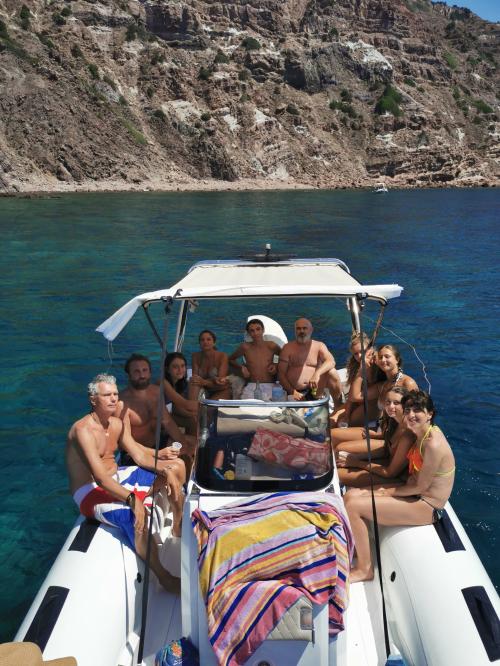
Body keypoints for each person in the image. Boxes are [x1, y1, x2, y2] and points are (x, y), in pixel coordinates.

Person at [66, 374, 185, 593]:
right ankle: (164, 577)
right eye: (106, 395)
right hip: (91, 490)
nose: (113, 399)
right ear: (93, 399)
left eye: (115, 394)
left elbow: (139, 456)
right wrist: (132, 500)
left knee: (176, 468)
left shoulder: (116, 423)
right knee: (133, 516)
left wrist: (164, 470)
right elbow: (100, 478)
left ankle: (177, 524)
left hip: (119, 475)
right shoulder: (83, 430)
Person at [344, 390, 455, 582]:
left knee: (354, 506)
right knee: (351, 496)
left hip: (426, 506)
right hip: (413, 494)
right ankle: (356, 551)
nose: (411, 414)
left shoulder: (433, 444)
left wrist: (386, 491)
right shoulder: (420, 434)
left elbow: (420, 487)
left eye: (418, 410)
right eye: (408, 409)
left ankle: (365, 569)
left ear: (430, 414)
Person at [331, 343, 418, 448]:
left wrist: (383, 437)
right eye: (380, 357)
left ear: (397, 359)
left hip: (393, 437)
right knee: (332, 434)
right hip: (380, 429)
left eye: (387, 356)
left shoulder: (407, 383)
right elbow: (354, 396)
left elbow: (416, 414)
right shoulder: (383, 385)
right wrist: (361, 371)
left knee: (339, 445)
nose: (383, 360)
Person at [119, 353, 196, 457]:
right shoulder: (122, 402)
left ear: (150, 373)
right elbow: (126, 442)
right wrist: (158, 454)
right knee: (177, 463)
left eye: (145, 370)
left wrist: (184, 444)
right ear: (129, 375)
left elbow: (167, 421)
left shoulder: (156, 392)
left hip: (159, 442)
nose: (142, 375)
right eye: (136, 371)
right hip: (138, 452)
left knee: (195, 444)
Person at [336, 387, 414, 487]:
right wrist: (376, 436)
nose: (390, 406)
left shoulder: (407, 436)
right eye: (388, 402)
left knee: (339, 474)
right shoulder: (394, 421)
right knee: (341, 454)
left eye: (396, 403)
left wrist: (357, 463)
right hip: (387, 460)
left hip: (397, 477)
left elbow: (390, 473)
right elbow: (388, 444)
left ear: (405, 405)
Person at [278, 317, 342, 403]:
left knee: (332, 372)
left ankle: (338, 406)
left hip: (315, 390)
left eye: (305, 328)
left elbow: (331, 361)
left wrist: (317, 374)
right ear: (295, 331)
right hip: (294, 391)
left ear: (311, 330)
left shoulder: (319, 346)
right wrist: (292, 392)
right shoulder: (287, 348)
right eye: (298, 328)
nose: (302, 331)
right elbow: (281, 374)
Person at [332, 332, 382, 426]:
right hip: (356, 401)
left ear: (370, 349)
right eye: (355, 354)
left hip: (373, 405)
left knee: (344, 424)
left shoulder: (379, 365)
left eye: (362, 351)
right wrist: (346, 415)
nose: (359, 356)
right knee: (331, 421)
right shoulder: (356, 366)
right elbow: (351, 397)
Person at [228, 318, 282, 400]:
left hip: (270, 384)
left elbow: (282, 356)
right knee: (247, 409)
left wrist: (275, 364)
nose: (255, 333)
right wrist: (242, 367)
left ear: (263, 330)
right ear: (249, 333)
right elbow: (230, 359)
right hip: (252, 384)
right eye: (252, 331)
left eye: (258, 329)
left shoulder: (271, 345)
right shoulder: (245, 347)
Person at [160, 352, 198, 435]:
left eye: (182, 366)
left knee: (193, 420)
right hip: (156, 419)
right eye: (175, 367)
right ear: (167, 369)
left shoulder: (178, 382)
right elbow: (186, 404)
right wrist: (204, 408)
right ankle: (191, 443)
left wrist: (193, 414)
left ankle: (192, 442)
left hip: (168, 413)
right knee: (194, 420)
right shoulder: (163, 382)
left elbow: (175, 407)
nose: (180, 370)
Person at [189, 330, 231, 400]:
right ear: (199, 343)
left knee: (209, 408)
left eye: (208, 339)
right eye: (202, 340)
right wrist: (208, 381)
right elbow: (195, 379)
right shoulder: (195, 356)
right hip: (205, 389)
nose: (205, 342)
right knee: (193, 384)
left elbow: (221, 382)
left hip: (221, 390)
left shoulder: (222, 356)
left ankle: (193, 407)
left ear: (214, 342)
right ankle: (192, 408)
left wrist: (204, 382)